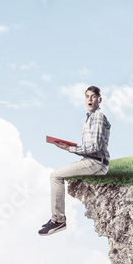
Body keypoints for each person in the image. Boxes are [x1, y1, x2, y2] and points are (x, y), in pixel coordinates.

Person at [39, 85, 111, 236]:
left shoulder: (98, 116)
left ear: (100, 99)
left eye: (93, 96)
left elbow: (94, 147)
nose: (90, 99)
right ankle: (57, 219)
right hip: (91, 160)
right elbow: (89, 146)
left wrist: (70, 148)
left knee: (55, 176)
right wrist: (69, 146)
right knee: (58, 174)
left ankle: (58, 220)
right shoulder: (90, 117)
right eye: (87, 96)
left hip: (96, 162)